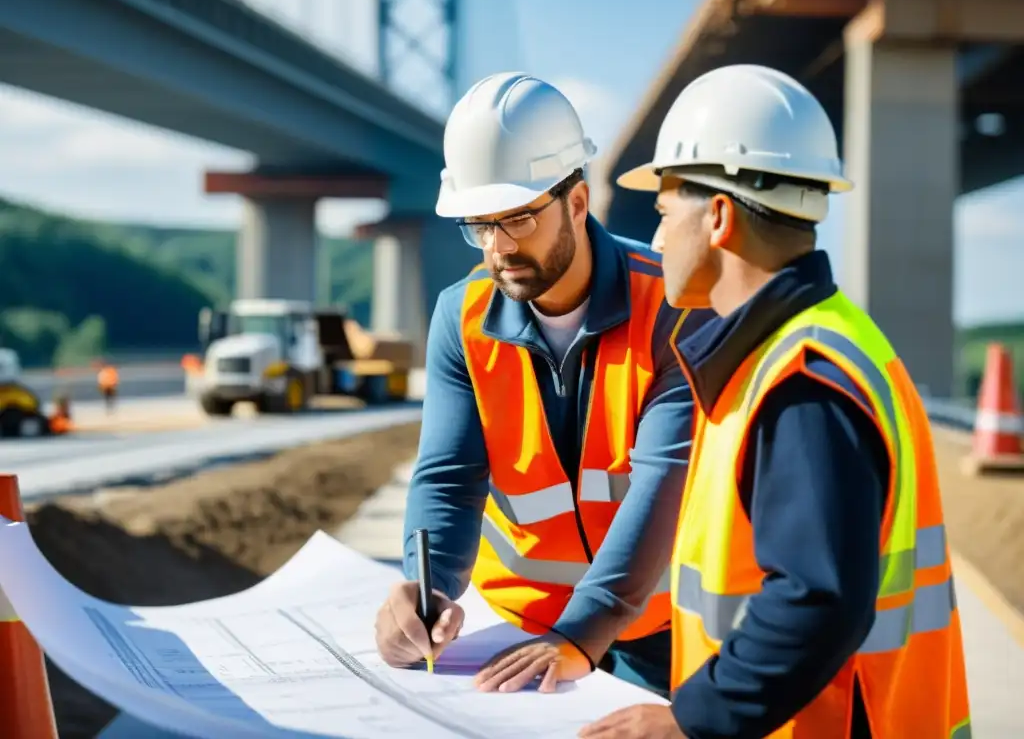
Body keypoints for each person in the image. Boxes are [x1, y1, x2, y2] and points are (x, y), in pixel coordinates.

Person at [580, 64, 971, 738]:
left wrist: (690, 721)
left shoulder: (802, 380)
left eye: (667, 212)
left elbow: (816, 599)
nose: (658, 238)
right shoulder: (805, 346)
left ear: (720, 217)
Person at [373, 72, 713, 698]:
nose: (498, 247)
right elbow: (448, 477)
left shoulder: (672, 305)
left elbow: (663, 482)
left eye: (520, 219)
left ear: (577, 204)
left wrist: (582, 635)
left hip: (656, 629)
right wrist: (427, 593)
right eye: (480, 224)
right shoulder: (461, 317)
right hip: (517, 631)